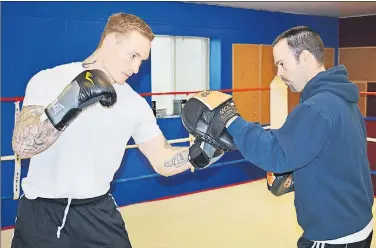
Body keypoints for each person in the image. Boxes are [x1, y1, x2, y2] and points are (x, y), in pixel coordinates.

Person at [11, 12, 223, 248]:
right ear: (110, 41)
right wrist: (69, 102)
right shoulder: (49, 80)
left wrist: (202, 151)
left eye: (141, 61)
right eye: (133, 56)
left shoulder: (134, 103)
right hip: (41, 213)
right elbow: (22, 146)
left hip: (97, 211)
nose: (136, 68)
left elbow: (162, 159)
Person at [181, 26, 374, 248]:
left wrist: (231, 119)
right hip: (357, 224)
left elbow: (276, 155)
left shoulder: (317, 107)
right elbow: (335, 154)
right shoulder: (342, 100)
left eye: (282, 64)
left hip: (332, 235)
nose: (279, 73)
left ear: (305, 58)